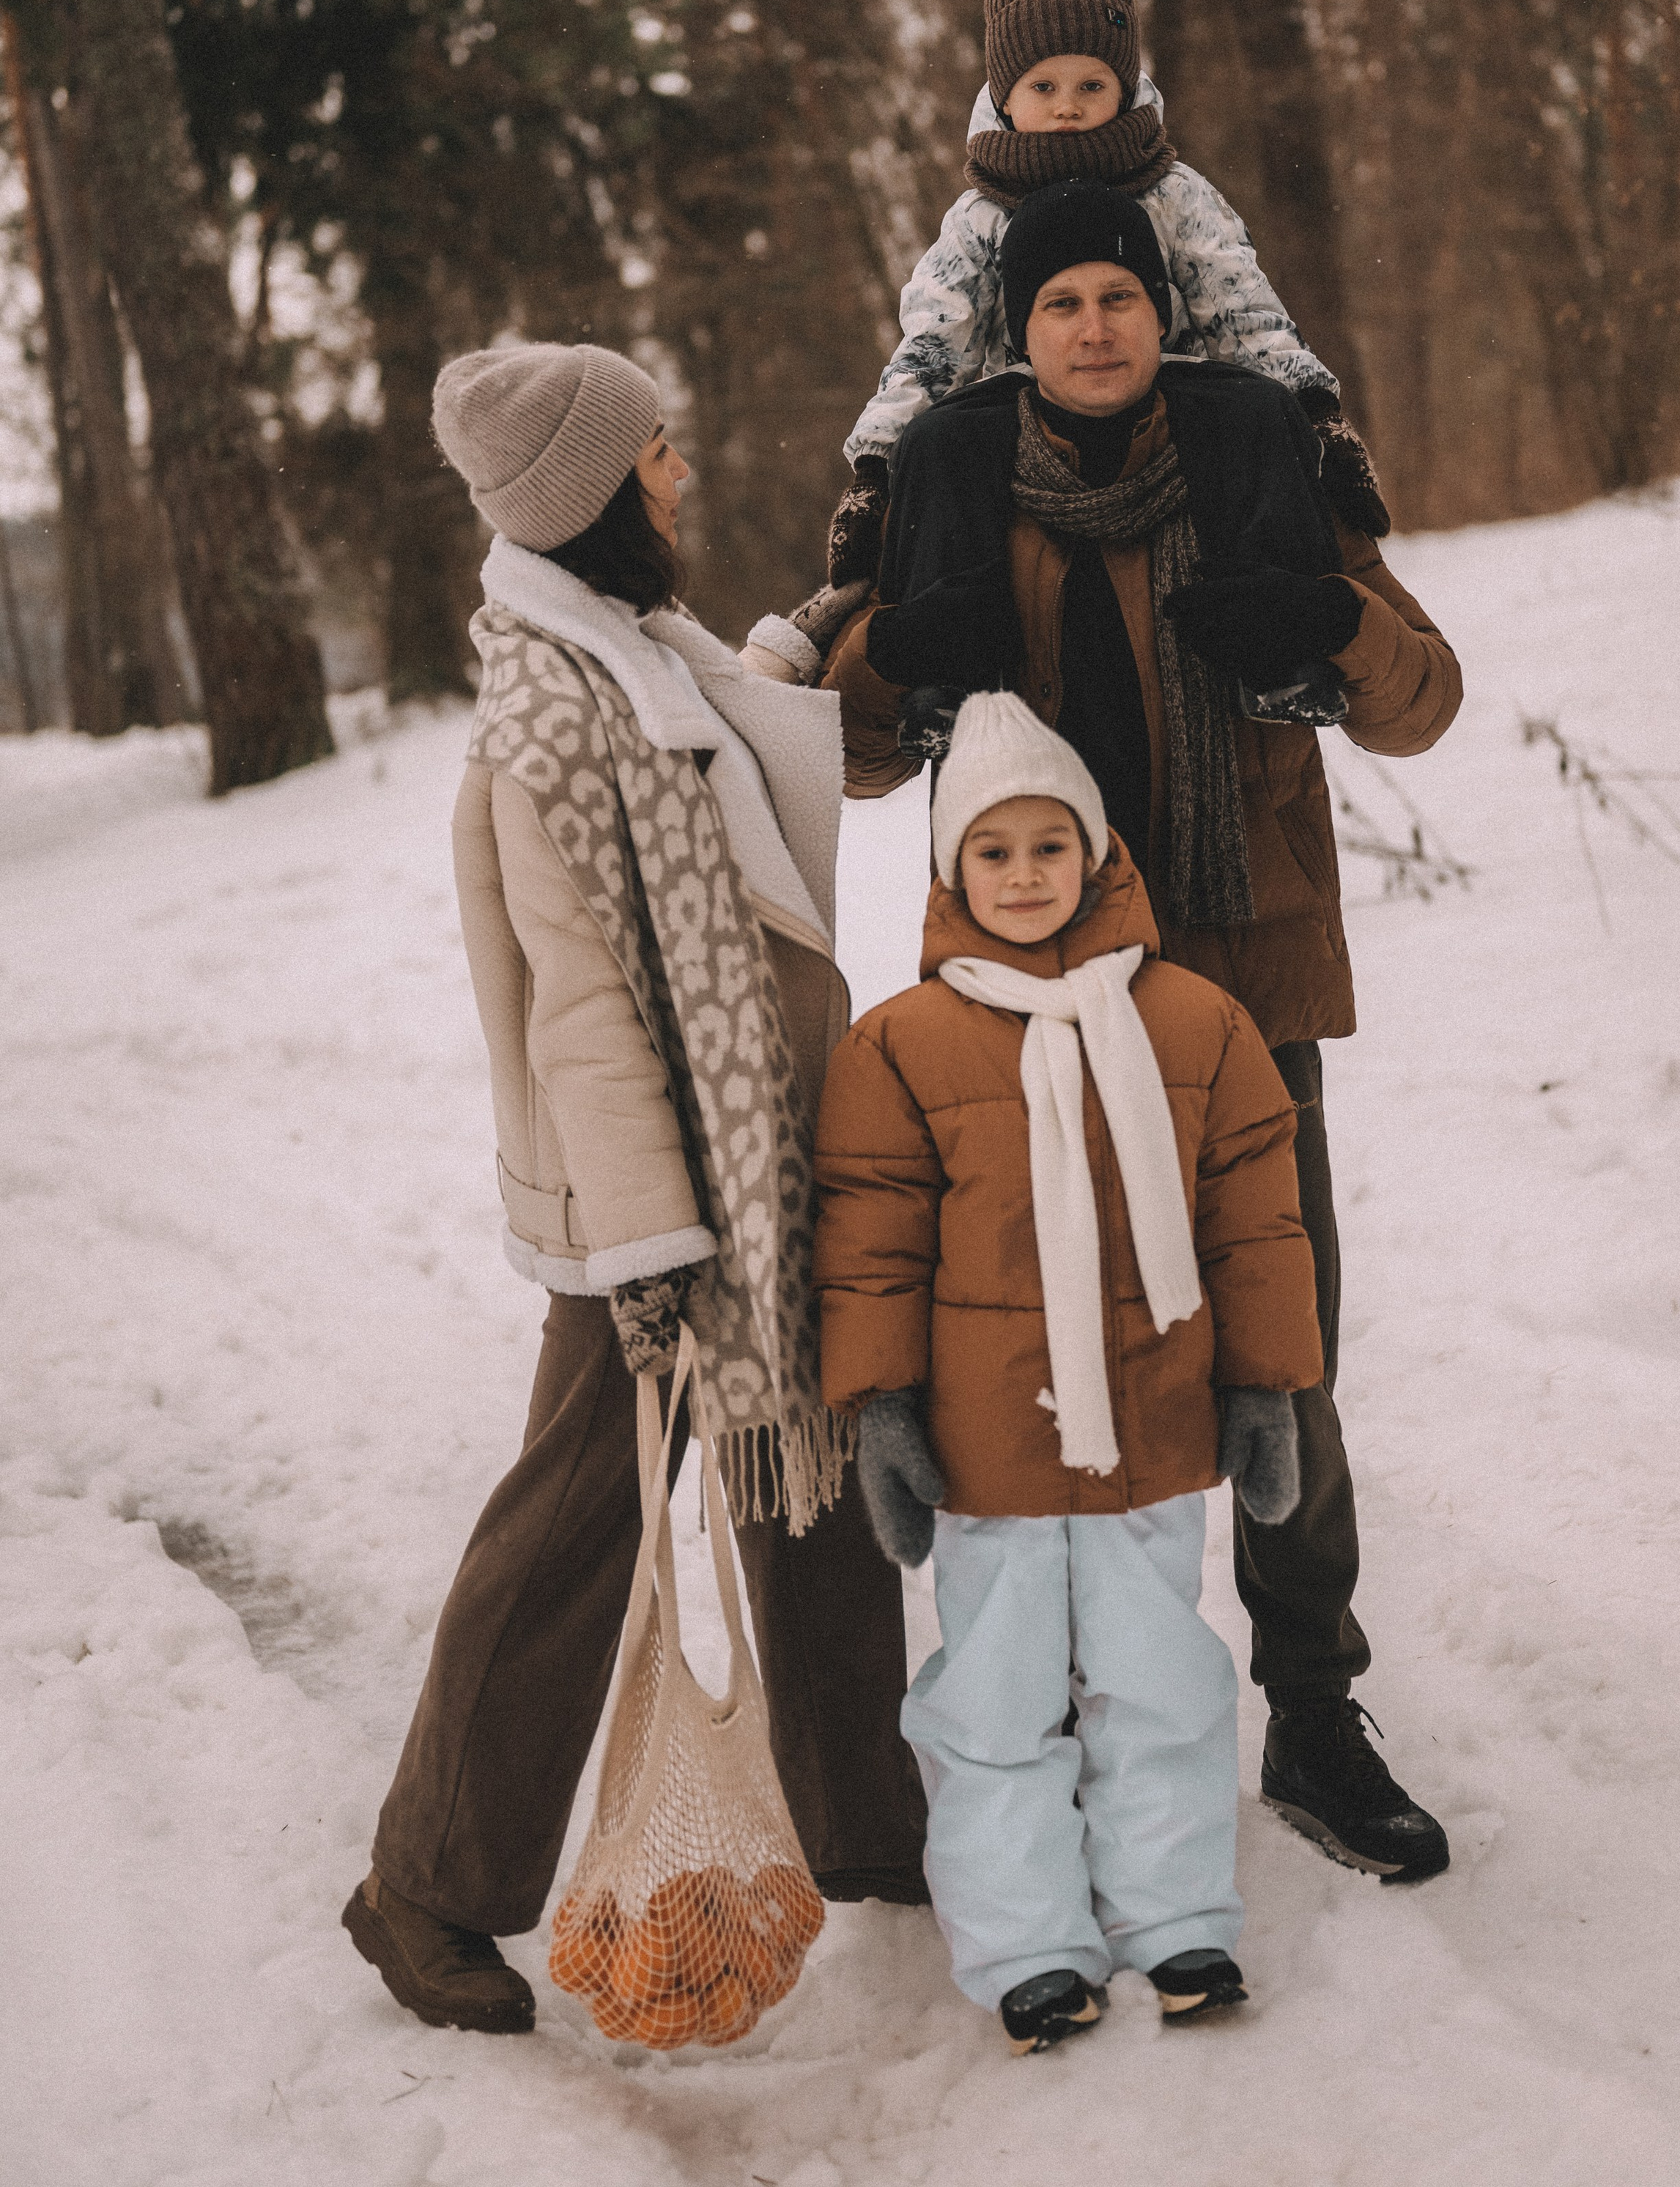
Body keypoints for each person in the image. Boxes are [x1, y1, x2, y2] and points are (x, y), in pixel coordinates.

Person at [821, 183, 1464, 1885]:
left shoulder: (1259, 459)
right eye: (1059, 303)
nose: (1092, 324)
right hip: (1021, 1013)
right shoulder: (954, 482)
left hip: (1239, 994)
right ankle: (1078, 1719)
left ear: (1161, 313)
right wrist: (898, 649)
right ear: (1016, 334)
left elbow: (1420, 693)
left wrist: (1324, 620)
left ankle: (1315, 1708)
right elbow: (856, 739)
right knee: (1043, 1358)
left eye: (1119, 294)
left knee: (1278, 1345)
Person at [343, 341, 926, 2038]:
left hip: (752, 1160)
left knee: (798, 1479)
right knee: (573, 1524)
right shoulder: (545, 714)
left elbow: (724, 766)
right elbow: (583, 997)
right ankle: (424, 1883)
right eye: (653, 451)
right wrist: (652, 1248)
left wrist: (815, 633)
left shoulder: (635, 656)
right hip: (653, 1206)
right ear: (592, 492)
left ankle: (867, 1827)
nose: (679, 472)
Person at [813, 693, 1325, 2054]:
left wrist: (1267, 1386)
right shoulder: (899, 1047)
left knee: (1164, 1682)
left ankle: (1176, 1920)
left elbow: (1259, 1220)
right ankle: (1030, 1944)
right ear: (948, 872)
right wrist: (882, 1410)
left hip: (1152, 1429)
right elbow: (866, 1240)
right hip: (989, 1452)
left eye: (1053, 845)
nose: (1027, 875)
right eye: (994, 851)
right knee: (993, 1703)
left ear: (1100, 857)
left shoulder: (1196, 1023)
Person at [795, 0, 1388, 610]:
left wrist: (1315, 412)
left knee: (1252, 415)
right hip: (1030, 417)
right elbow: (936, 342)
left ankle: (1283, 618)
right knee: (943, 443)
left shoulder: (1171, 193)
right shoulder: (982, 216)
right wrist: (876, 469)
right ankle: (946, 653)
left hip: (1166, 403)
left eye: (1091, 84)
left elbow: (1240, 307)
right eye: (1043, 88)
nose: (1068, 108)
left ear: (1125, 86)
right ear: (1005, 97)